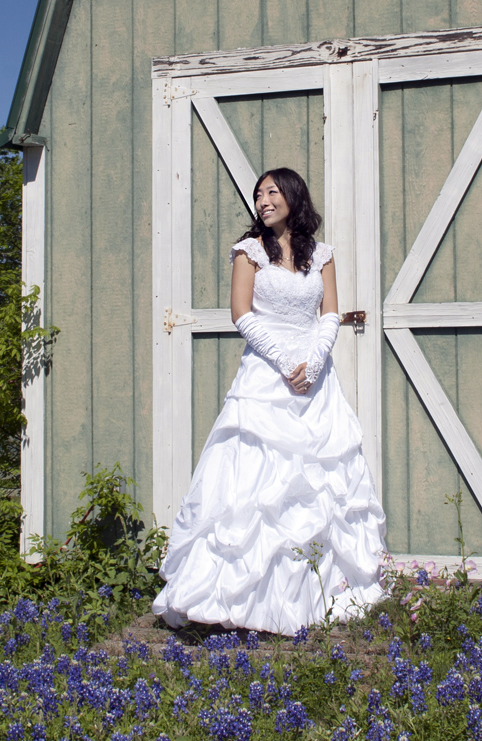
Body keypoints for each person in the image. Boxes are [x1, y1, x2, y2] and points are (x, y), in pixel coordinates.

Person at [152, 168, 387, 636]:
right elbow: (240, 313)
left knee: (321, 484)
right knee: (254, 485)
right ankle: (235, 601)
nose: (263, 200)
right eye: (258, 195)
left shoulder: (321, 255)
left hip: (315, 381)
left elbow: (330, 312)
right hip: (265, 374)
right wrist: (283, 360)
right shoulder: (249, 252)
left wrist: (316, 360)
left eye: (272, 192)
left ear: (293, 197)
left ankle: (314, 595)